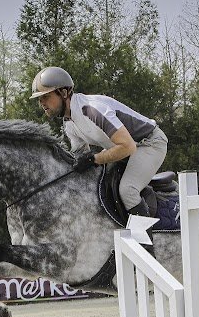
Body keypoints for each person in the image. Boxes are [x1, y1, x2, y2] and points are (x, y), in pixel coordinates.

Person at [30, 66, 168, 219]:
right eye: (39, 99)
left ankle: (144, 235)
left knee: (127, 190)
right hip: (124, 149)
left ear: (63, 93)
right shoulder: (68, 122)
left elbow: (127, 146)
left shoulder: (91, 110)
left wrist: (95, 159)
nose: (41, 103)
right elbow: (81, 156)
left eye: (46, 96)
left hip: (149, 143)